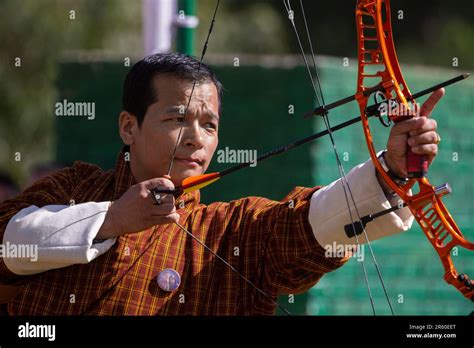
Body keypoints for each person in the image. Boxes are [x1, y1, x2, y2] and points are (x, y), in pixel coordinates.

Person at [0, 52, 443, 315]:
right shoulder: (76, 188)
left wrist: (392, 171)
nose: (196, 137)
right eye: (176, 118)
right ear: (128, 127)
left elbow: (304, 226)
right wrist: (114, 218)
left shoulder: (230, 231)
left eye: (209, 125)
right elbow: (8, 245)